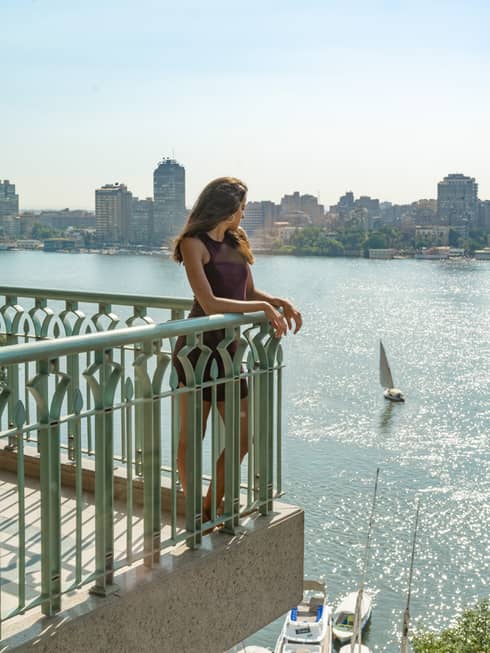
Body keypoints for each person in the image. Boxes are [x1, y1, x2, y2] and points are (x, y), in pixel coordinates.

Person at [172, 176, 302, 523]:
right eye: (242, 207)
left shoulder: (237, 240)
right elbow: (211, 303)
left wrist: (277, 301)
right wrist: (261, 310)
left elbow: (248, 293)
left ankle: (209, 507)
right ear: (227, 207)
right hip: (196, 352)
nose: (244, 213)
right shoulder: (192, 243)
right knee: (192, 438)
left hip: (230, 353)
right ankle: (193, 508)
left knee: (243, 436)